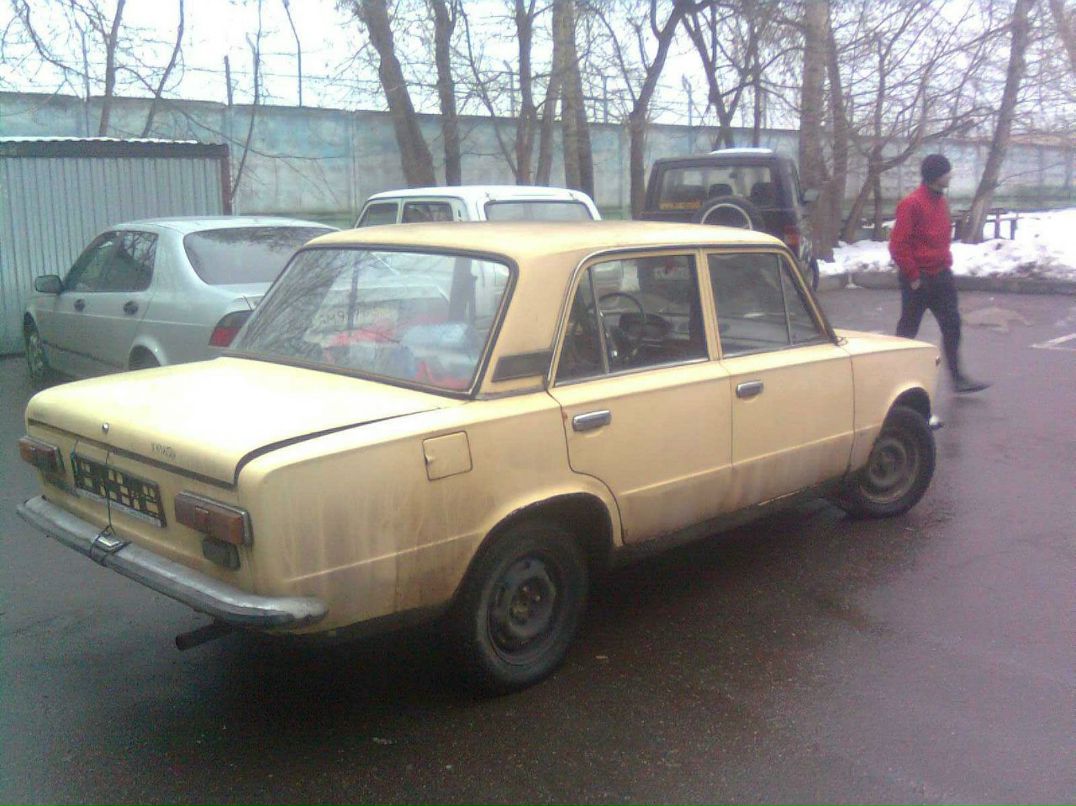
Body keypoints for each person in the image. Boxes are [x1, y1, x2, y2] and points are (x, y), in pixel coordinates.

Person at [889, 153, 989, 394]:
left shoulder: (941, 201)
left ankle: (958, 379)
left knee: (952, 325)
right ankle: (892, 377)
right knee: (907, 331)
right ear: (936, 176)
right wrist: (913, 277)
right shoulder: (912, 203)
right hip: (919, 279)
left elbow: (940, 239)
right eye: (947, 172)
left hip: (941, 275)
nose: (951, 175)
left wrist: (945, 265)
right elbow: (897, 245)